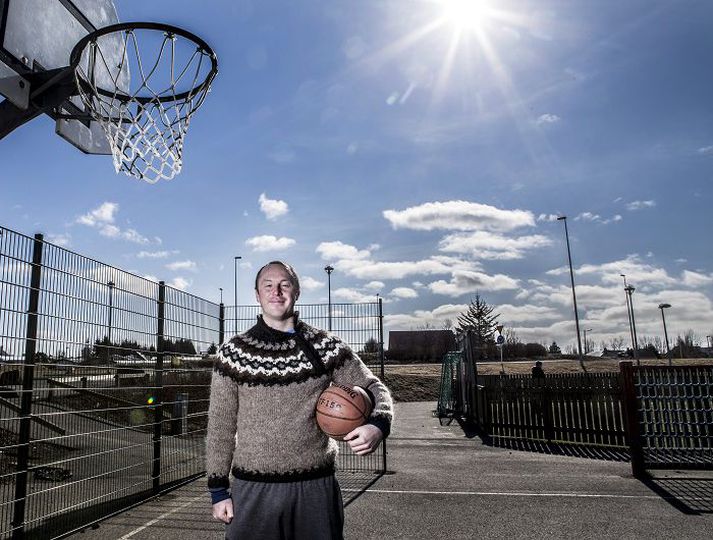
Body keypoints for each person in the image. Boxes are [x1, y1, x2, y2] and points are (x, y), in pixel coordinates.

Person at [206, 261, 393, 540]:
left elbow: (374, 387)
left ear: (297, 291)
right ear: (257, 295)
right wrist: (218, 490)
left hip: (314, 487)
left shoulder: (324, 346)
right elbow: (221, 425)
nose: (276, 292)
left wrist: (378, 424)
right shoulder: (233, 353)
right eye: (267, 285)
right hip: (253, 489)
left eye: (284, 284)